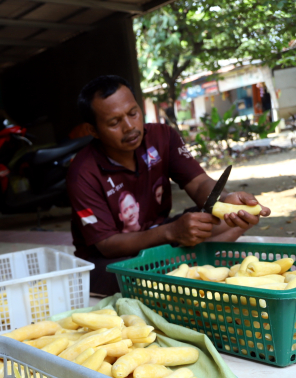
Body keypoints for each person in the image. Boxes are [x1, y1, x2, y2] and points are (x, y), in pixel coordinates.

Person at [67, 75, 270, 296]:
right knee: (140, 280)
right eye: (114, 122)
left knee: (231, 220)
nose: (129, 126)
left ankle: (184, 265)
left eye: (133, 113)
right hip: (113, 258)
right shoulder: (82, 173)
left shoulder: (162, 137)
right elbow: (107, 244)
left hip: (160, 235)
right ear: (93, 130)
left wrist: (226, 201)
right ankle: (188, 264)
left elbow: (199, 182)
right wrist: (172, 232)